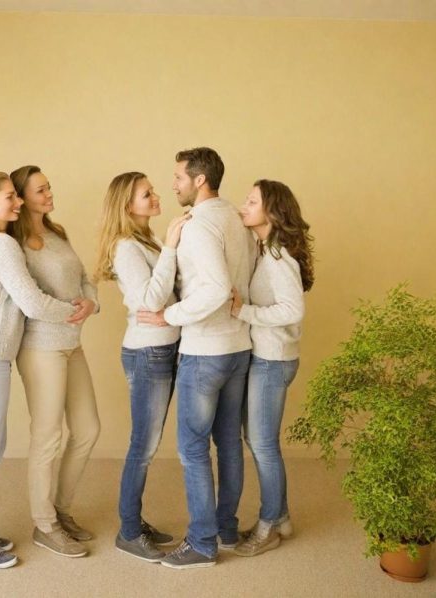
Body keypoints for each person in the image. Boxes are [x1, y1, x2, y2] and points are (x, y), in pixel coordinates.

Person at [0, 172, 79, 569]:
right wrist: (74, 311)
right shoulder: (0, 244)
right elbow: (33, 303)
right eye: (10, 197)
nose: (18, 202)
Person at [137, 147, 254, 569]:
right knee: (228, 442)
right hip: (238, 347)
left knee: (192, 448)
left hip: (205, 352)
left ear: (199, 179)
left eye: (179, 177)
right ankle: (226, 529)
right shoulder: (236, 218)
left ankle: (203, 544)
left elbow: (217, 289)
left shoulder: (199, 225)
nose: (173, 185)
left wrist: (169, 315)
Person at [94, 172, 190, 562]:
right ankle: (129, 532)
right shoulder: (126, 248)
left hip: (165, 347)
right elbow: (151, 301)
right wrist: (171, 247)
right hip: (148, 353)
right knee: (143, 446)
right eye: (146, 194)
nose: (155, 196)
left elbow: (169, 295)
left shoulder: (146, 240)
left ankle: (135, 523)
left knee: (147, 444)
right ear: (127, 205)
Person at [9, 165, 100, 558]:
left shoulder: (57, 233)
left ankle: (60, 510)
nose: (49, 194)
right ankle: (44, 524)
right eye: (40, 190)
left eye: (49, 187)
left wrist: (91, 302)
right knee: (47, 436)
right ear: (22, 197)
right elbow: (31, 302)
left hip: (71, 344)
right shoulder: (14, 244)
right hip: (40, 346)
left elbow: (85, 278)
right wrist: (71, 311)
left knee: (88, 429)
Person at [230, 180, 314, 557]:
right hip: (267, 357)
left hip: (273, 360)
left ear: (272, 212)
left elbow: (293, 310)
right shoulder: (265, 251)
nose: (244, 206)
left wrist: (243, 311)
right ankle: (280, 518)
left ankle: (269, 525)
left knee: (263, 444)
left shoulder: (279, 257)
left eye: (252, 202)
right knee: (258, 441)